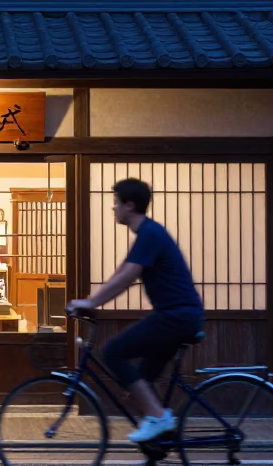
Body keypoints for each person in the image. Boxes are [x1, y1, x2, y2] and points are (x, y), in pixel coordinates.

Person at [68, 177, 204, 444]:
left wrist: (91, 303)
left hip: (176, 316)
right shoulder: (148, 234)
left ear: (129, 205)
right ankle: (156, 443)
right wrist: (92, 299)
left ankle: (158, 418)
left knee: (112, 351)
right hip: (178, 315)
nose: (113, 208)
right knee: (141, 379)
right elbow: (122, 272)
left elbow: (126, 277)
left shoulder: (150, 234)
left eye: (116, 202)